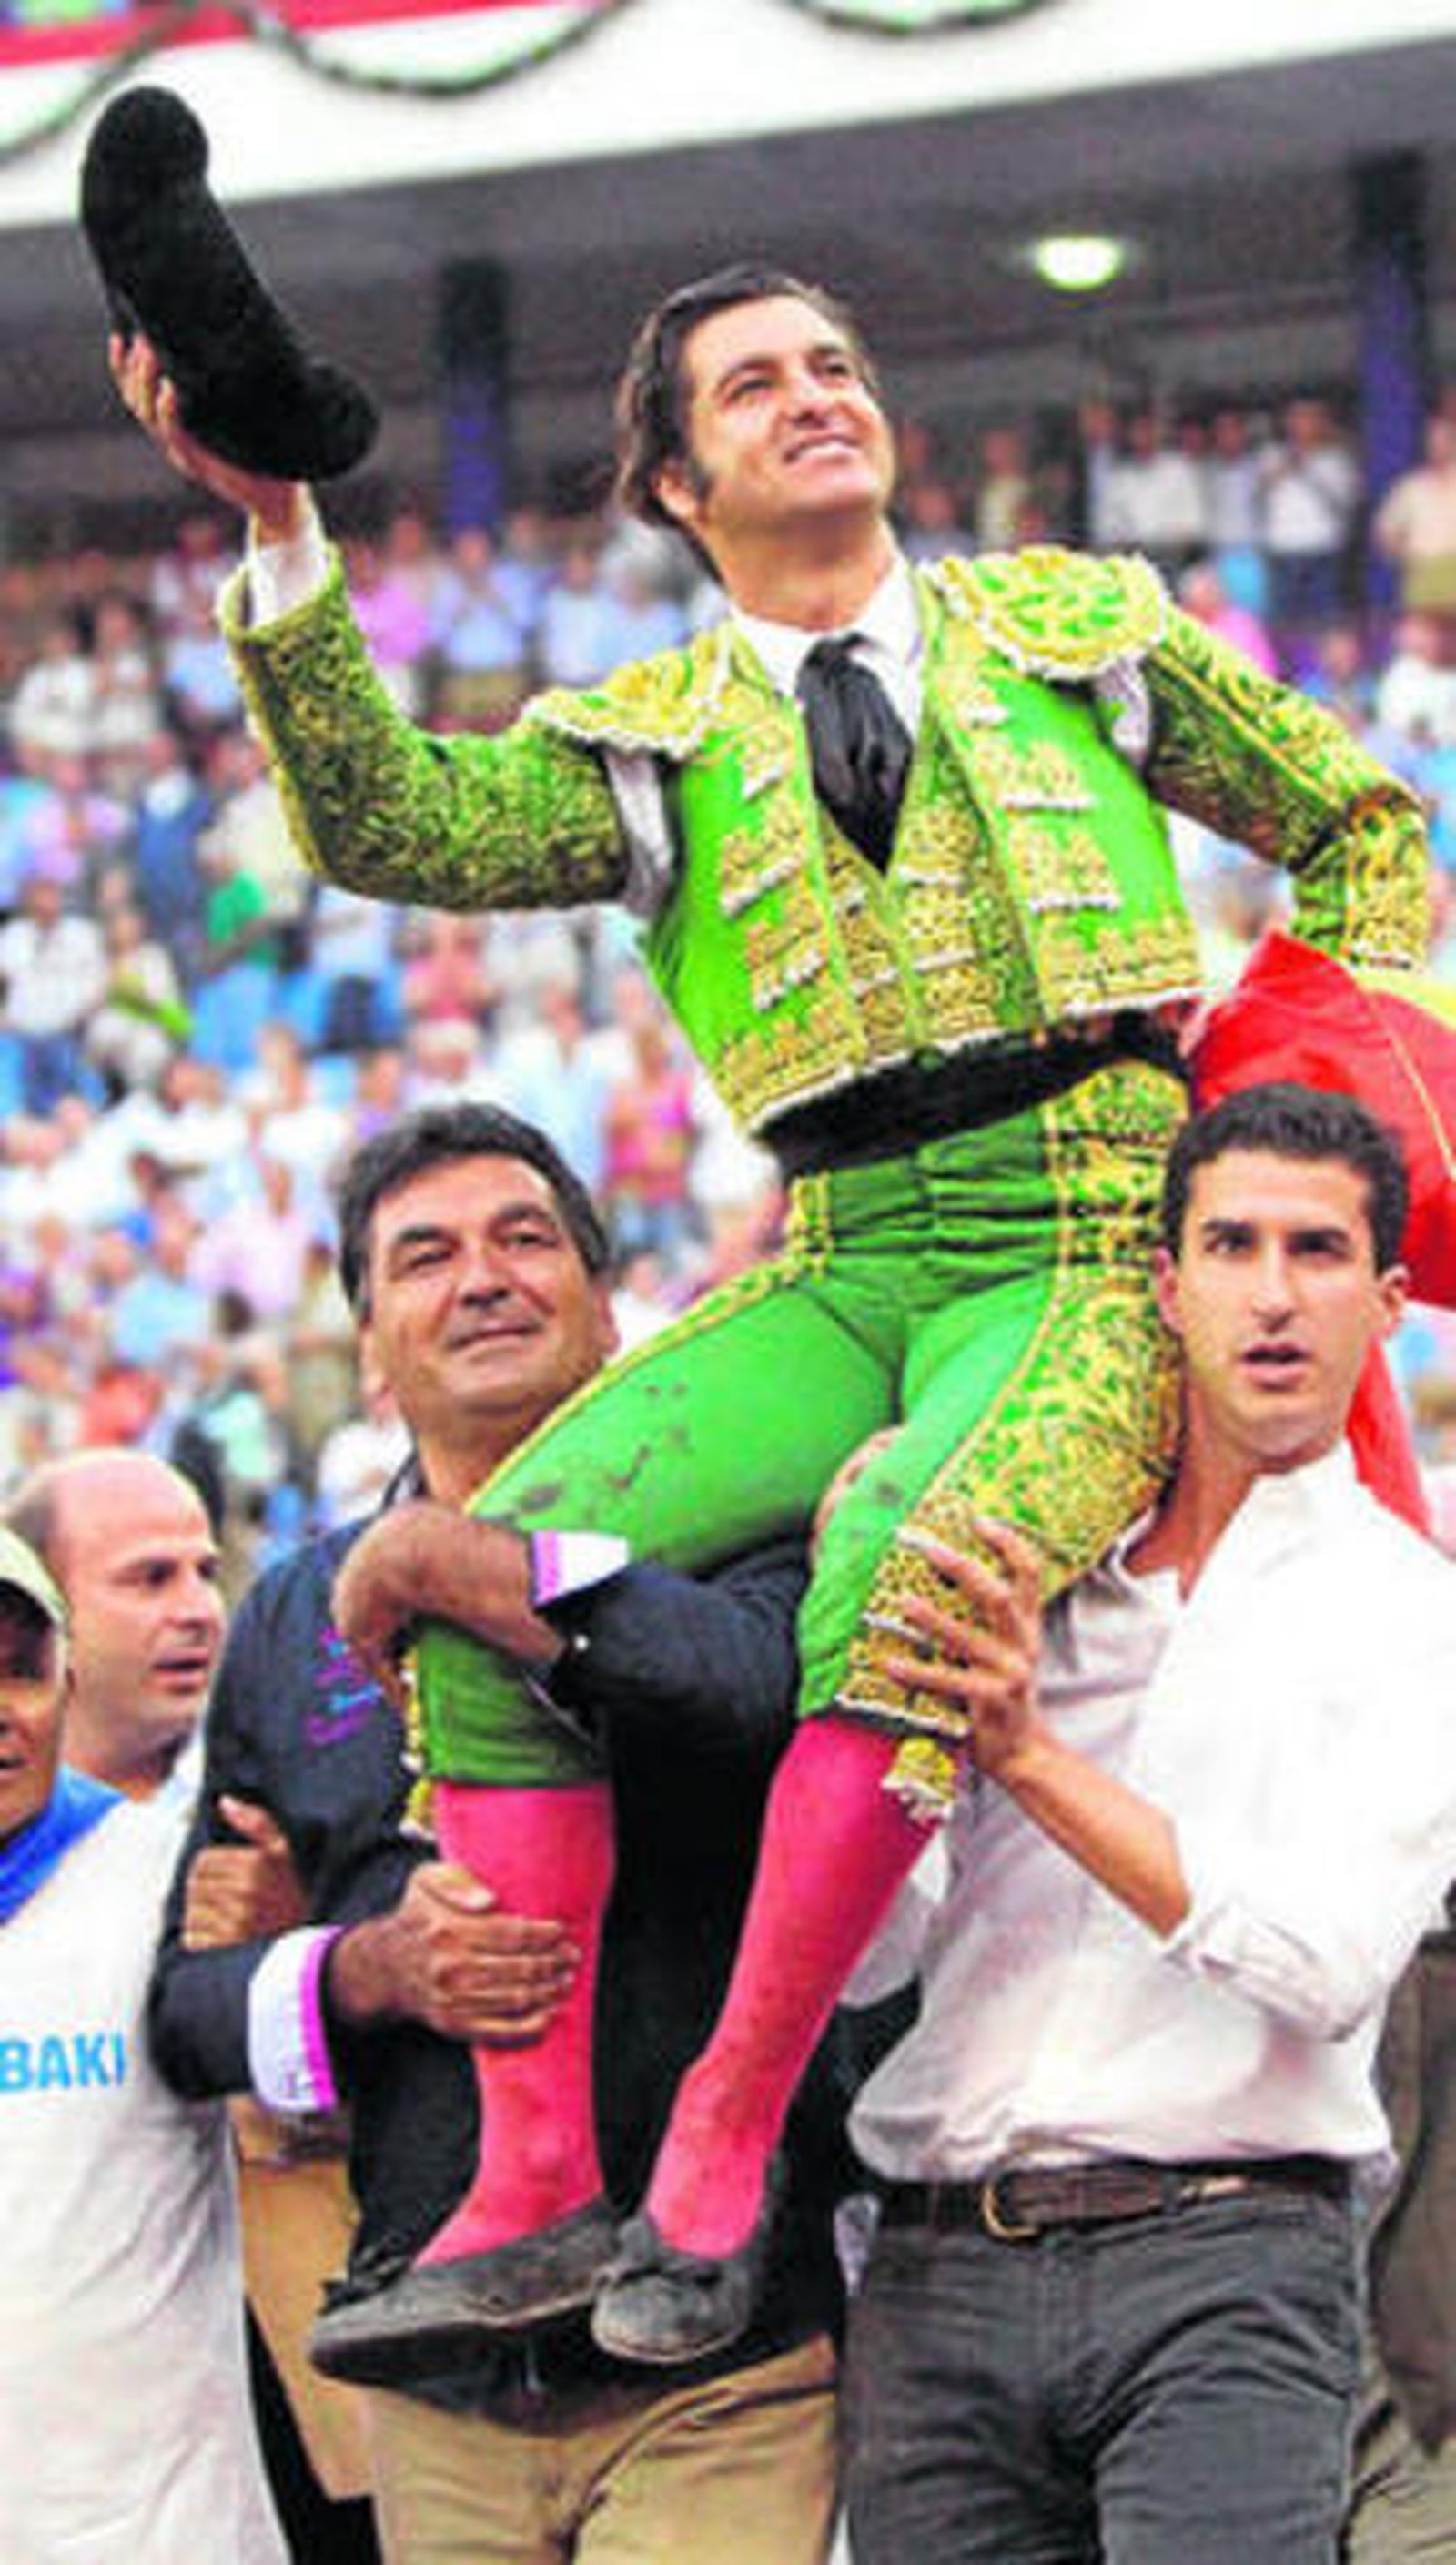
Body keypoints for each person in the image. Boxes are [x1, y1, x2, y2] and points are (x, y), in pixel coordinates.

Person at [112, 263, 1430, 2365]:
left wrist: (1309, 1110)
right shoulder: (645, 744)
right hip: (839, 1246)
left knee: (908, 1565)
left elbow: (1356, 821)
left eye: (832, 363)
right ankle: (537, 2172)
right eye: (751, 386)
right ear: (668, 478)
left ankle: (718, 2128)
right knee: (477, 1553)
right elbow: (381, 819)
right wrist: (280, 529)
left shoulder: (1081, 632)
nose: (812, 397)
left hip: (1086, 1220)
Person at [148, 1100, 844, 2565]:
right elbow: (187, 2006)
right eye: (426, 1257)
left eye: (527, 1239)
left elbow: (746, 1696)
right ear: (371, 1353)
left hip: (715, 2364)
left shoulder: (732, 1539)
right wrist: (366, 1970)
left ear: (605, 1311)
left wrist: (458, 1569)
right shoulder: (293, 1611)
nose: (484, 1277)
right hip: (439, 2387)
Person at [837, 1083, 1456, 2564]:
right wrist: (858, 1607)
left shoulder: (1413, 1610)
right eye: (1232, 1244)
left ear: (1386, 1304)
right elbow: (867, 1967)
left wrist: (1031, 1758)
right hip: (938, 2268)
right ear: (1166, 1285)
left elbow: (1325, 1962)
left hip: (1230, 2262)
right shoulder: (1019, 1572)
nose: (1273, 1293)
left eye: (1316, 1251)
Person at [0, 1518, 287, 2563]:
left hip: (159, 2532)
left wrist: (282, 1960)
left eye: (22, 1675)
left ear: (66, 1687)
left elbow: (312, 2130)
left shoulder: (167, 1881)